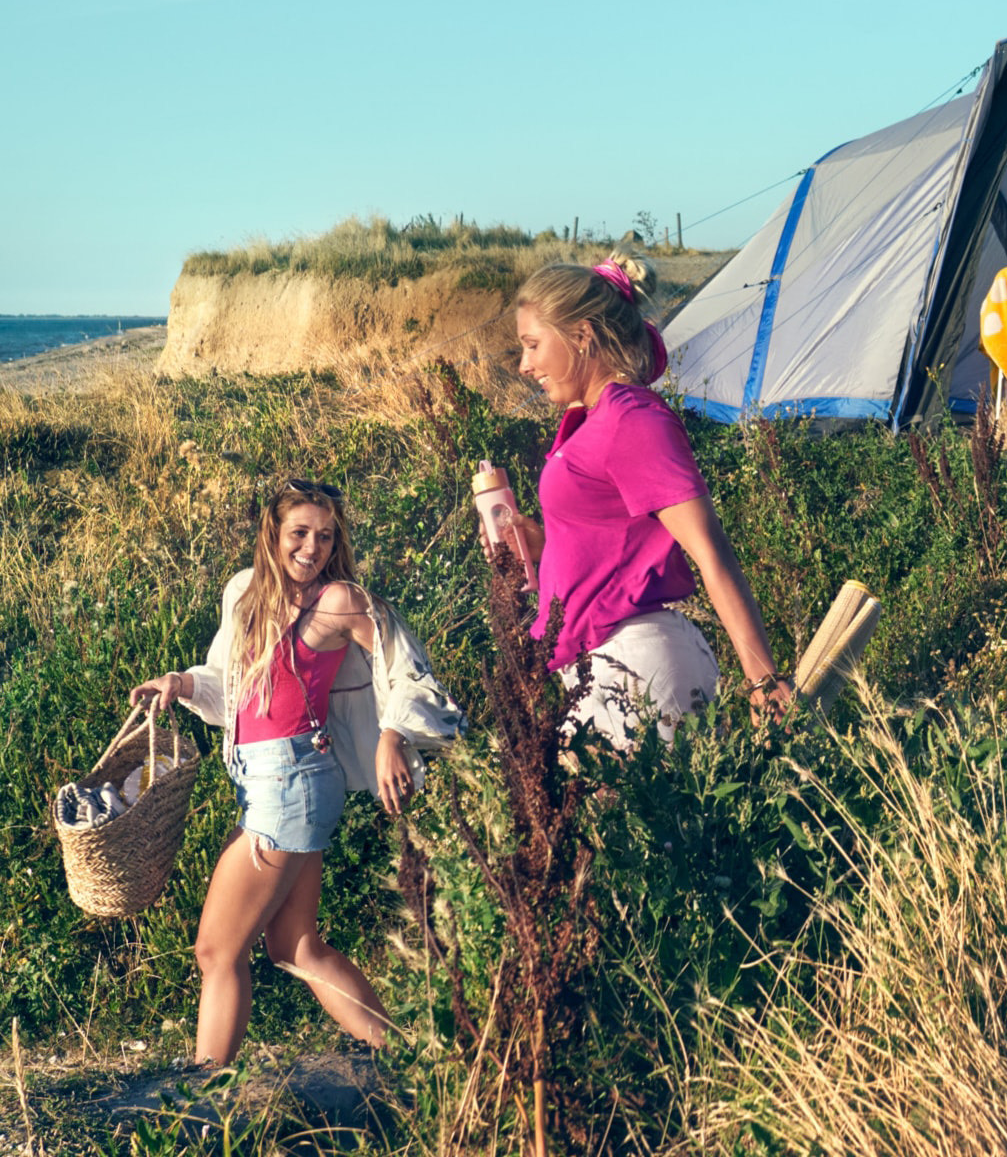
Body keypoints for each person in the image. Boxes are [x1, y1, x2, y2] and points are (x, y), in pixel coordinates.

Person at [128, 478, 465, 1068]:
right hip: (269, 780)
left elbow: (408, 669)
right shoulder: (245, 593)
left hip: (293, 782)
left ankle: (208, 1098)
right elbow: (225, 681)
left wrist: (393, 734)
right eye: (300, 533)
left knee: (216, 949)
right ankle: (411, 1062)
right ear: (273, 535)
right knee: (295, 945)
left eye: (326, 536)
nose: (312, 548)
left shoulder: (340, 601)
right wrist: (178, 684)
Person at [507, 253, 791, 747]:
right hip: (605, 666)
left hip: (640, 666)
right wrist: (546, 547)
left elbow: (710, 550)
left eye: (533, 345)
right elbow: (614, 541)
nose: (524, 364)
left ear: (581, 335)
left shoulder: (632, 420)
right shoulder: (594, 420)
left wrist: (762, 679)